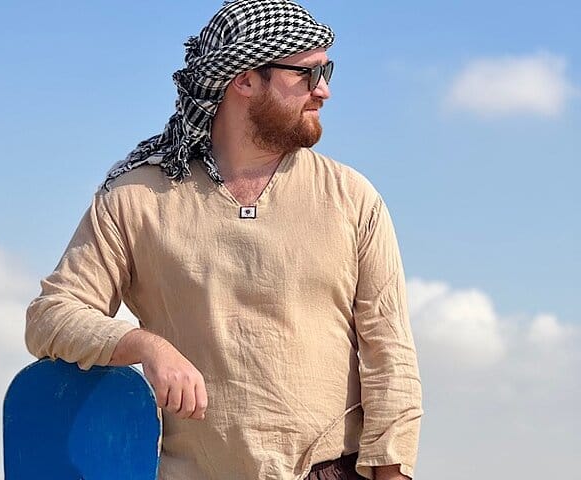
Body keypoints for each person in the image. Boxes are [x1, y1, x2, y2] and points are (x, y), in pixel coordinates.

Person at [25, 1, 423, 479]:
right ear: (245, 80)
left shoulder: (352, 198)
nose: (324, 91)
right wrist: (145, 346)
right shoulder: (137, 198)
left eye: (326, 71)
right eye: (307, 74)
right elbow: (51, 316)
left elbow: (390, 356)